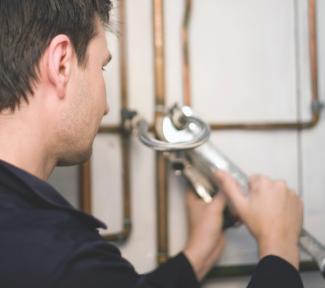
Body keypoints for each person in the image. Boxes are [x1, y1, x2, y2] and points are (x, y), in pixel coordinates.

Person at [0, 1, 304, 287]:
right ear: (62, 63)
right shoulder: (60, 253)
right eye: (100, 67)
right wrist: (278, 244)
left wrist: (196, 255)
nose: (106, 107)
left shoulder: (32, 243)